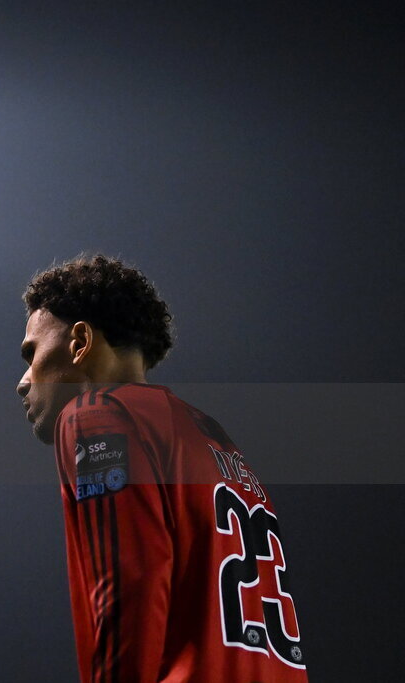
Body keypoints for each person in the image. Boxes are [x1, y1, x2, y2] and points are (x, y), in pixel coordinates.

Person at [16, 254, 307, 682]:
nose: (23, 381)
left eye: (32, 353)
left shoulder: (95, 414)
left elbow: (130, 583)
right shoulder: (214, 437)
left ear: (79, 342)